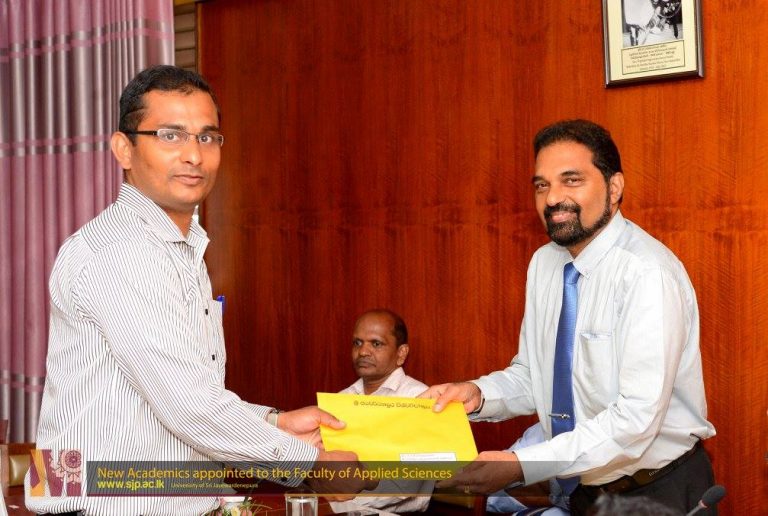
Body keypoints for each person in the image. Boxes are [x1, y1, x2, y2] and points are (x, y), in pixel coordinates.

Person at [26, 65, 370, 515]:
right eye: (170, 135)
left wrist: (275, 421)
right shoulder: (118, 250)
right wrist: (310, 464)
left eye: (207, 137)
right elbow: (187, 404)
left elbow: (188, 389)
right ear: (124, 149)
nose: (194, 155)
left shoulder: (181, 247)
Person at [422, 119, 716, 515]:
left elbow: (635, 420)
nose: (553, 198)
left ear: (614, 187)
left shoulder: (646, 273)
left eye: (571, 180)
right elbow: (535, 376)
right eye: (541, 185)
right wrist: (477, 395)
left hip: (657, 490)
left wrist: (522, 465)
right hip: (583, 488)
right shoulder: (545, 264)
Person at [330, 309, 432, 514]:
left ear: (401, 353)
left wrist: (339, 497)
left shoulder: (419, 399)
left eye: (376, 344)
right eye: (357, 343)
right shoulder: (342, 399)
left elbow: (406, 485)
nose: (363, 352)